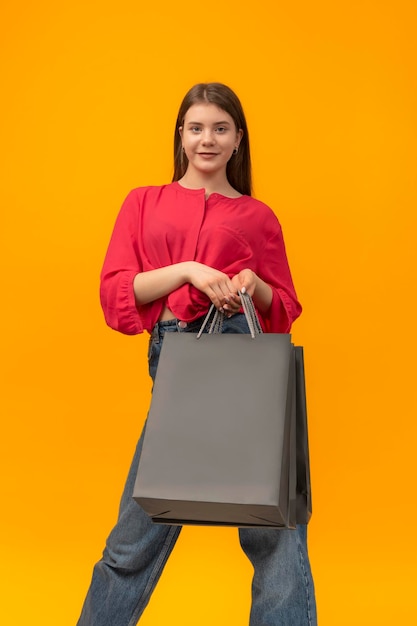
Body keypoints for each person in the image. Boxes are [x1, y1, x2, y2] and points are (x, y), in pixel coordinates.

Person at [77, 82, 317, 626]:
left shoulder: (259, 216)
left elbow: (283, 308)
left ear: (238, 140)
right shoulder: (143, 201)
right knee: (132, 542)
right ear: (181, 136)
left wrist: (252, 282)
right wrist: (189, 271)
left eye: (219, 128)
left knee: (275, 530)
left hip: (245, 360)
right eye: (195, 128)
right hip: (179, 358)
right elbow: (118, 292)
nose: (206, 139)